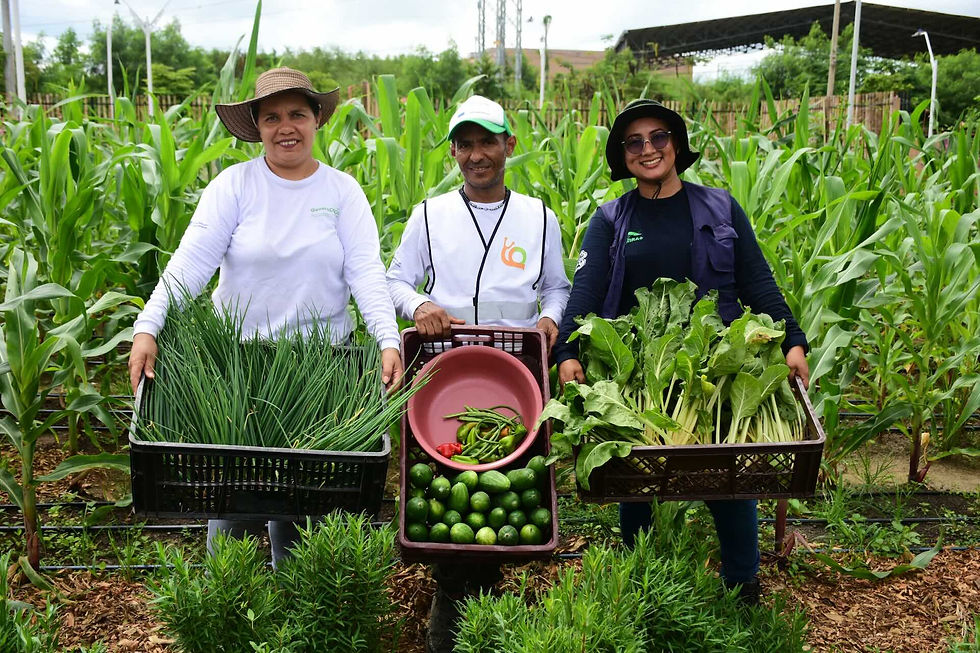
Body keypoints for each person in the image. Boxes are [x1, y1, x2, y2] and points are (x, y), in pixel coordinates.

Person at [128, 67, 403, 565]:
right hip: (240, 366)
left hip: (321, 368)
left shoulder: (342, 192)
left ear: (316, 119)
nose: (286, 127)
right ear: (257, 126)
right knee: (233, 500)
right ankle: (228, 599)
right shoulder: (235, 186)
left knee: (305, 506)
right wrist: (149, 326)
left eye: (297, 113)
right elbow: (191, 264)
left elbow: (366, 272)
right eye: (272, 117)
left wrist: (388, 339)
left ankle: (292, 602)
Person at [553, 99, 810, 605]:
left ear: (677, 144)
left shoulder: (720, 207)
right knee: (636, 478)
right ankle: (640, 586)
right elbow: (585, 292)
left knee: (728, 480)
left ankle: (743, 587)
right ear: (622, 154)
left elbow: (757, 281)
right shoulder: (610, 219)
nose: (648, 149)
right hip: (638, 371)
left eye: (659, 137)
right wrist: (567, 350)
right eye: (634, 141)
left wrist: (793, 340)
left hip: (716, 367)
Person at [386, 94, 570, 653]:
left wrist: (549, 318)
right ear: (453, 152)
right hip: (445, 371)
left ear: (508, 144)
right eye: (464, 144)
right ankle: (454, 607)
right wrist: (420, 305)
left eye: (487, 141)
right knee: (448, 481)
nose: (476, 154)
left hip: (516, 372)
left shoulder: (538, 217)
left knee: (506, 481)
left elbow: (557, 288)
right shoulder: (430, 214)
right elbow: (395, 281)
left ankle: (484, 606)